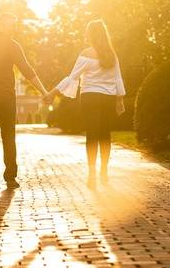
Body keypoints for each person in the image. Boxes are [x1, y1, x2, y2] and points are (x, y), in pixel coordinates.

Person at [0, 12, 48, 192]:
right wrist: (44, 91)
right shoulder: (13, 46)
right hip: (5, 98)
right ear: (3, 25)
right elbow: (28, 71)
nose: (12, 28)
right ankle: (10, 178)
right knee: (8, 138)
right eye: (11, 25)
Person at [43, 19, 126, 189]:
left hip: (90, 98)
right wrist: (120, 99)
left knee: (92, 135)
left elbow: (72, 77)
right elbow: (117, 78)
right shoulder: (112, 54)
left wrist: (53, 92)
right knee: (105, 135)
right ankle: (103, 172)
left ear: (91, 34)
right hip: (108, 98)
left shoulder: (86, 54)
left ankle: (91, 174)